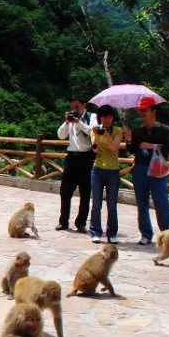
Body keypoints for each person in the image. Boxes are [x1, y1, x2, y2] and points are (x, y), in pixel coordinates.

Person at [125, 96, 169, 245]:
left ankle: (168, 235)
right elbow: (133, 150)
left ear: (153, 111)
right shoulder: (137, 131)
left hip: (157, 170)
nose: (142, 113)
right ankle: (146, 234)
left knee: (162, 203)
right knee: (142, 204)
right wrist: (128, 140)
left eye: (145, 110)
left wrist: (152, 146)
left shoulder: (164, 130)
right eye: (140, 110)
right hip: (140, 168)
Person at [56, 95, 98, 232]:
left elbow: (93, 131)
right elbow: (61, 135)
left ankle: (81, 222)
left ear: (84, 105)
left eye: (77, 107)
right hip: (71, 157)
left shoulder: (91, 116)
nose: (74, 110)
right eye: (72, 108)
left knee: (85, 192)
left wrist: (78, 122)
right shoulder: (70, 120)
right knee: (65, 191)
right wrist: (67, 122)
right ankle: (63, 221)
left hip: (86, 157)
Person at [88, 105, 123, 244]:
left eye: (109, 117)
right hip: (97, 169)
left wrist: (106, 134)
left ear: (113, 118)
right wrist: (97, 135)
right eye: (104, 117)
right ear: (100, 118)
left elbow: (114, 147)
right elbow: (95, 149)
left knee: (112, 204)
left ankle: (112, 233)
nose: (107, 120)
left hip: (113, 171)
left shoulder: (117, 131)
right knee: (96, 203)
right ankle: (95, 232)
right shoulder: (94, 131)